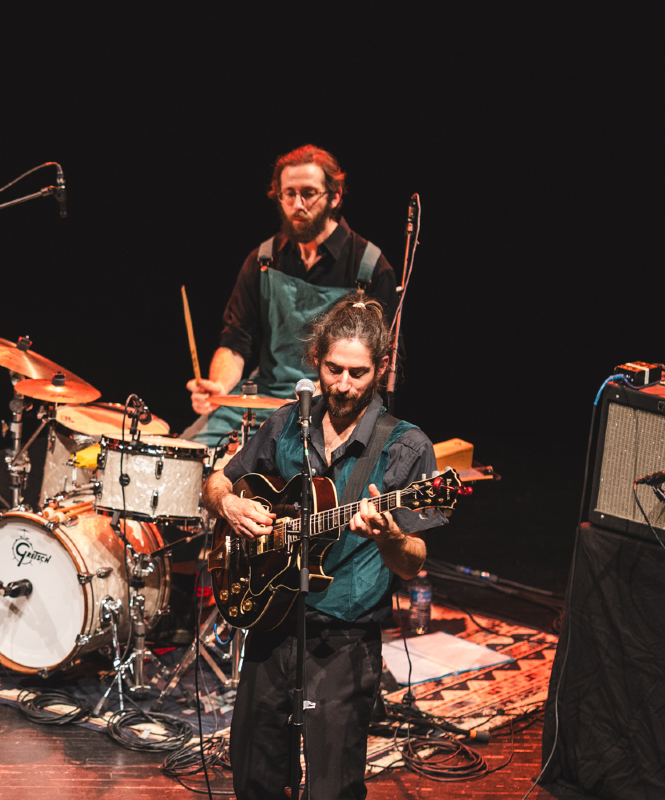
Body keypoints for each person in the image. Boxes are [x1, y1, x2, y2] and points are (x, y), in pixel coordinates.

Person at [203, 293, 445, 799]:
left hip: (344, 637)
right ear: (316, 361)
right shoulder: (287, 423)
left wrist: (391, 536)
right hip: (271, 624)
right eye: (335, 369)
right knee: (253, 778)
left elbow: (412, 563)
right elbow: (216, 483)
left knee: (331, 789)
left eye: (358, 373)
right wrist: (229, 506)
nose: (344, 384)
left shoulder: (406, 447)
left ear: (380, 369)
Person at [186, 145, 401, 449]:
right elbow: (235, 342)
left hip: (332, 403)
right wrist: (219, 386)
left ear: (335, 197)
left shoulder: (369, 268)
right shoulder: (263, 260)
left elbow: (380, 364)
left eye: (309, 193)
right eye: (289, 194)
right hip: (262, 398)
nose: (297, 204)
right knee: (187, 454)